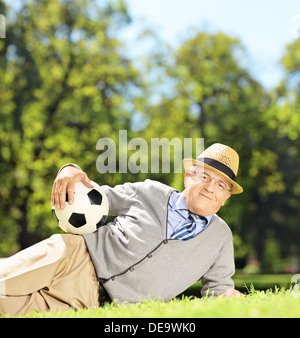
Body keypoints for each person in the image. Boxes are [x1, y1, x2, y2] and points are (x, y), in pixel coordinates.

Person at [0, 143, 243, 316]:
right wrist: (69, 168)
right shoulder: (150, 191)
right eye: (204, 177)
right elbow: (91, 196)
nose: (211, 187)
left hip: (87, 301)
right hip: (73, 256)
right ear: (188, 176)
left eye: (221, 185)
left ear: (226, 197)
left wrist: (229, 297)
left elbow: (218, 290)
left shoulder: (221, 238)